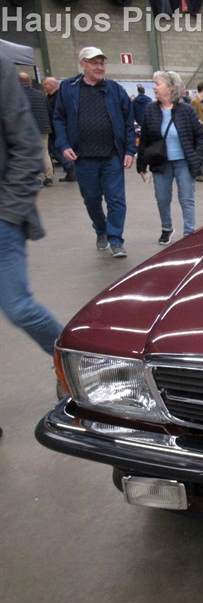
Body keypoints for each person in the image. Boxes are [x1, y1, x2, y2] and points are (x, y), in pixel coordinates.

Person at [0, 52, 65, 421]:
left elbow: (27, 148)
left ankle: (75, 363)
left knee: (19, 307)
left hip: (3, 216)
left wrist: (8, 213)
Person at [53, 46, 136, 258]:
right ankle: (101, 230)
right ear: (83, 65)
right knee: (91, 199)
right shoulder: (68, 88)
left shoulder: (115, 89)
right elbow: (59, 119)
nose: (99, 67)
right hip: (83, 157)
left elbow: (128, 122)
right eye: (94, 63)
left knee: (116, 199)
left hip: (112, 156)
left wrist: (129, 150)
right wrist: (64, 145)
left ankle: (116, 239)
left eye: (102, 63)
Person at [138, 71, 203, 245]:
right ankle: (166, 228)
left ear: (170, 88)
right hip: (160, 161)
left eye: (157, 84)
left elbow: (201, 136)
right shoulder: (150, 110)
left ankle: (189, 233)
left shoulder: (186, 110)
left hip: (184, 162)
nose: (154, 87)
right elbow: (144, 139)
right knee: (162, 198)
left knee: (186, 199)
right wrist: (141, 165)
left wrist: (198, 158)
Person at [18, 72, 53, 187]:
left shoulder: (17, 95)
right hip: (43, 128)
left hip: (27, 129)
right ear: (30, 81)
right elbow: (49, 110)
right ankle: (49, 177)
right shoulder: (41, 94)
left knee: (31, 154)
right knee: (45, 152)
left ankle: (37, 179)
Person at [43, 77, 75, 182]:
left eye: (45, 84)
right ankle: (70, 170)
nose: (44, 86)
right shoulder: (50, 97)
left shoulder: (59, 97)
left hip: (58, 128)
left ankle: (69, 167)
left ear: (52, 86)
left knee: (55, 148)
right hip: (53, 128)